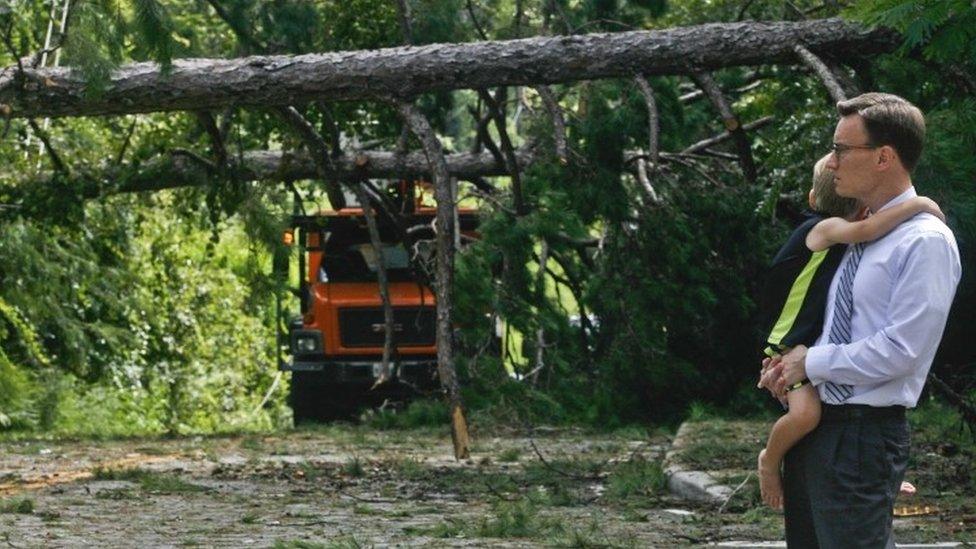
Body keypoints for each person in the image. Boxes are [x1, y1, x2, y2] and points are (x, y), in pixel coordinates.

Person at [760, 93, 961, 548]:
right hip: (817, 429)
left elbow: (902, 351)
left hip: (860, 436)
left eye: (841, 150)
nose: (831, 163)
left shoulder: (925, 241)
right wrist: (787, 364)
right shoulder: (850, 235)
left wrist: (809, 363)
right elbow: (823, 318)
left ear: (884, 157)